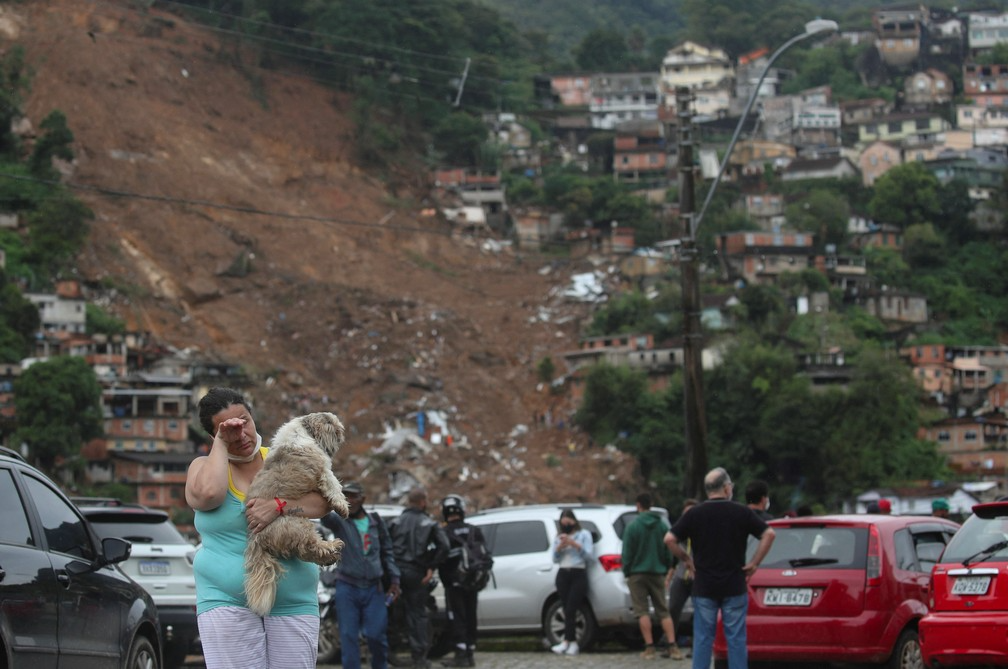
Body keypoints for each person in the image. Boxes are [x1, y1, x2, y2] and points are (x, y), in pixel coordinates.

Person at [185, 387, 340, 669]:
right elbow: (209, 495)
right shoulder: (202, 468)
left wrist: (279, 505)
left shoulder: (280, 458)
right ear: (213, 435)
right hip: (226, 598)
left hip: (292, 596)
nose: (241, 433)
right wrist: (221, 444)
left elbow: (325, 501)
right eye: (228, 428)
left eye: (245, 421)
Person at [665, 467, 776, 669]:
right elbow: (769, 534)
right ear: (726, 488)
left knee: (703, 639)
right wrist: (754, 564)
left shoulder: (695, 514)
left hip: (704, 586)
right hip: (734, 584)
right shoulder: (741, 512)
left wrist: (686, 559)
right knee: (735, 639)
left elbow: (670, 539)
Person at [320, 481, 401, 669]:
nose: (349, 500)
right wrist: (329, 493)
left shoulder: (376, 522)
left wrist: (395, 579)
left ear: (362, 499)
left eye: (353, 496)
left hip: (375, 588)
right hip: (347, 587)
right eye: (345, 496)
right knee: (348, 636)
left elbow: (388, 552)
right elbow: (324, 516)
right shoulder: (339, 521)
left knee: (376, 635)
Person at [389, 487, 450, 669]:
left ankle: (390, 652)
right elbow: (444, 546)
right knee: (417, 615)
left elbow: (385, 546)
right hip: (417, 573)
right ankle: (419, 658)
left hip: (396, 574)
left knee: (393, 613)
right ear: (423, 502)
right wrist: (431, 566)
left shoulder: (395, 522)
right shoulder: (428, 523)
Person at [622, 493, 684, 661]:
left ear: (638, 505)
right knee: (663, 610)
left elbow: (627, 552)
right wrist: (665, 567)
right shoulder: (662, 526)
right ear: (651, 504)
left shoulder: (633, 526)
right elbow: (668, 549)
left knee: (642, 611)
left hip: (637, 573)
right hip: (657, 572)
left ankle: (649, 647)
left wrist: (627, 571)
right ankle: (672, 645)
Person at [437, 494, 490, 667]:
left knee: (457, 617)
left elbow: (440, 557)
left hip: (454, 583)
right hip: (473, 583)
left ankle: (461, 655)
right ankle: (470, 652)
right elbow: (486, 557)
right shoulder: (474, 530)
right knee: (470, 616)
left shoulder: (443, 532)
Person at [550, 509, 594, 657]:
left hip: (578, 572)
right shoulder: (558, 537)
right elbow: (554, 558)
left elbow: (589, 556)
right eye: (563, 523)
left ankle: (572, 642)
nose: (566, 526)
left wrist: (574, 544)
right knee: (565, 607)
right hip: (563, 573)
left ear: (574, 521)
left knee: (572, 608)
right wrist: (560, 547)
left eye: (569, 522)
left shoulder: (584, 535)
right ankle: (567, 642)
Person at [665, 498, 698, 656]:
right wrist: (669, 575)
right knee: (673, 609)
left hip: (697, 576)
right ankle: (671, 644)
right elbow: (673, 555)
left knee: (699, 611)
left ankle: (696, 646)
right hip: (680, 576)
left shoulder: (703, 530)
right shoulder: (679, 530)